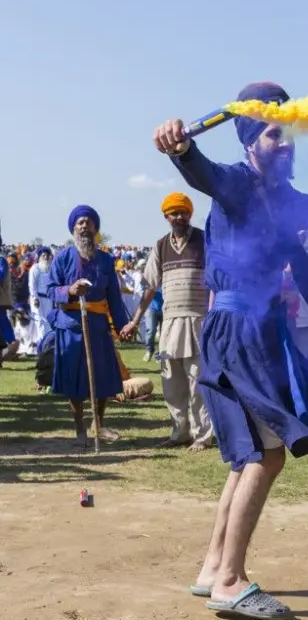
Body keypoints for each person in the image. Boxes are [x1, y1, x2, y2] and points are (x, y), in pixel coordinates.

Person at [152, 81, 308, 620]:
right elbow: (203, 173)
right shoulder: (237, 183)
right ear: (249, 142)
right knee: (267, 456)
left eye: (288, 134)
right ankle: (230, 581)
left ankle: (213, 567)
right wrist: (181, 148)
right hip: (239, 331)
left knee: (250, 454)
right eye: (273, 134)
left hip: (251, 331)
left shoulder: (285, 199)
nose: (285, 142)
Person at [121, 192, 213, 451]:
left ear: (190, 214)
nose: (179, 217)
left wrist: (213, 316)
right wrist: (135, 321)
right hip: (170, 323)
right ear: (166, 216)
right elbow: (150, 287)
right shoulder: (160, 246)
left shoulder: (205, 241)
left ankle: (202, 436)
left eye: (183, 212)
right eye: (174, 213)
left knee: (198, 381)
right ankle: (179, 432)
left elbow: (217, 282)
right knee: (172, 382)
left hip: (199, 321)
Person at [47, 206, 131, 446]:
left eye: (88, 222)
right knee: (73, 379)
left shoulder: (105, 260)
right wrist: (70, 290)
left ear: (95, 228)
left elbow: (114, 297)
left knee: (103, 376)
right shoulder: (62, 258)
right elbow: (50, 289)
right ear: (73, 228)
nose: (84, 226)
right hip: (70, 326)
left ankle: (99, 425)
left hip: (97, 326)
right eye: (80, 223)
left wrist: (122, 326)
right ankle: (80, 429)